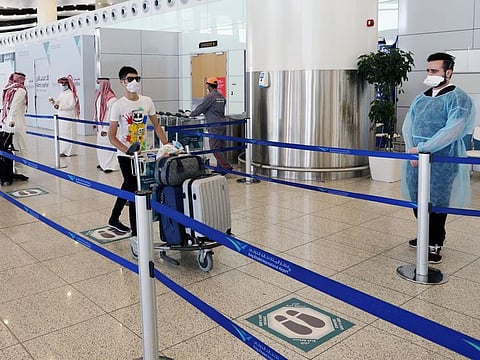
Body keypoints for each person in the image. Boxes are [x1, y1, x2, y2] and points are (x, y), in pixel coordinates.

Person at [402, 52, 475, 264]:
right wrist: (411, 149)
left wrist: (424, 148)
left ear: (448, 72)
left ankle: (435, 242)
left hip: (442, 159)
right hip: (416, 157)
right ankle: (424, 235)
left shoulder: (457, 98)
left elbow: (452, 130)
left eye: (434, 71)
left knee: (437, 202)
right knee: (418, 200)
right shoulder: (421, 97)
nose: (429, 74)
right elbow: (408, 125)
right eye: (428, 70)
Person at [108, 66, 168, 259]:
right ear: (122, 82)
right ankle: (136, 235)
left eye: (137, 78)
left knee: (128, 186)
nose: (134, 82)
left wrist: (167, 147)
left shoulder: (147, 101)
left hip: (142, 153)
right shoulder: (118, 105)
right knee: (136, 190)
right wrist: (127, 150)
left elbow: (157, 126)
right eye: (130, 79)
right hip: (126, 155)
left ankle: (114, 218)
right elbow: (111, 136)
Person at [190, 76, 233, 172]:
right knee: (221, 147)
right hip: (222, 124)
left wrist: (191, 114)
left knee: (214, 147)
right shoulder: (221, 97)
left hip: (214, 125)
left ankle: (226, 167)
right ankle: (220, 168)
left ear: (208, 86)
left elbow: (201, 108)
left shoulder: (209, 97)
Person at [1, 72, 29, 181]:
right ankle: (20, 171)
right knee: (20, 148)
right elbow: (14, 107)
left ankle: (13, 171)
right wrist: (12, 119)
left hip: (7, 122)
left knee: (11, 147)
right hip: (16, 123)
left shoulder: (9, 89)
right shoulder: (20, 90)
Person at [48, 75, 80, 157]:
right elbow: (58, 103)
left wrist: (60, 107)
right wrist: (53, 102)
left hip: (69, 116)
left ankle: (69, 151)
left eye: (64, 84)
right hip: (61, 117)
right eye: (62, 84)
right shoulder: (62, 93)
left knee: (69, 134)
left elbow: (72, 105)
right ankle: (63, 150)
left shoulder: (71, 94)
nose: (62, 86)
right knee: (63, 134)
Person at [94, 77, 118, 173]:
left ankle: (111, 166)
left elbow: (112, 116)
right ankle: (103, 163)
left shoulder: (112, 99)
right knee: (101, 145)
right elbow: (97, 110)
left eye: (99, 83)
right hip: (101, 126)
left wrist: (106, 128)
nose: (97, 85)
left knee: (109, 146)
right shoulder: (99, 96)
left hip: (108, 127)